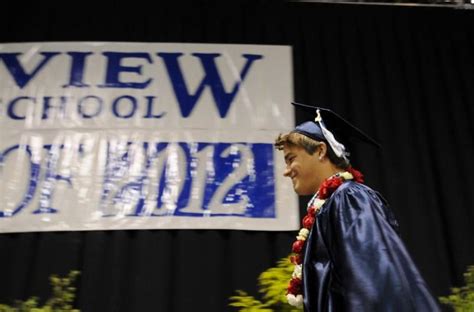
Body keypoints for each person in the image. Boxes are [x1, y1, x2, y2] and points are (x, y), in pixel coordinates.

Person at [275, 102, 440, 311]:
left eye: (291, 159)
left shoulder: (349, 199)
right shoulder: (329, 206)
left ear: (320, 151)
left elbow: (374, 284)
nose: (286, 171)